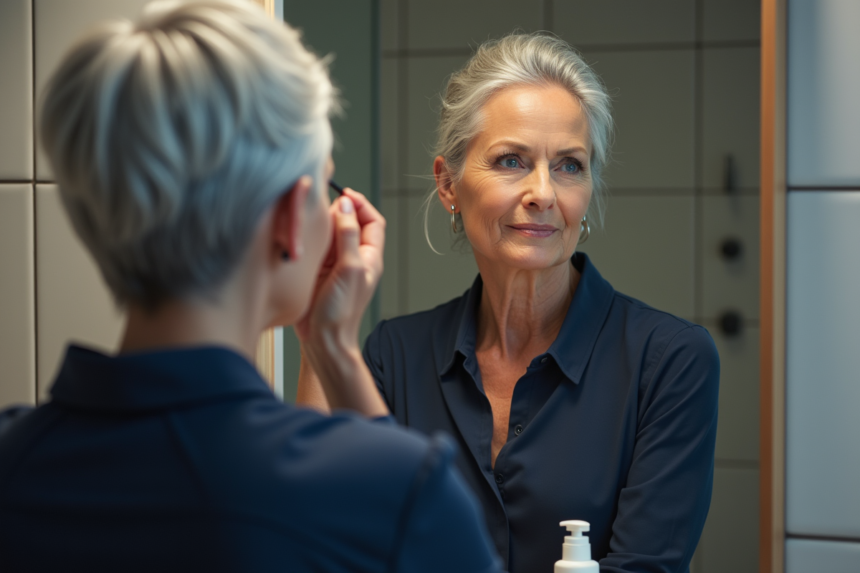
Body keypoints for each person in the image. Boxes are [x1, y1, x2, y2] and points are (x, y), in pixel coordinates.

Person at [0, 2, 503, 572]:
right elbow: (403, 518)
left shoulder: (15, 462)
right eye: (325, 187)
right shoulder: (394, 492)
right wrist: (335, 350)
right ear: (291, 218)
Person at [299, 33, 720, 573]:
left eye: (569, 165)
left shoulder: (670, 362)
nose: (543, 192)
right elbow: (319, 530)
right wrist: (321, 324)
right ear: (448, 185)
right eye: (511, 160)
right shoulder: (394, 355)